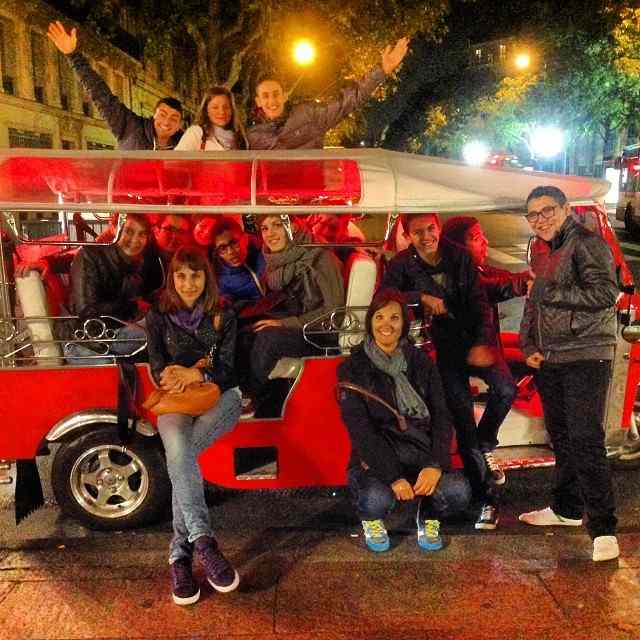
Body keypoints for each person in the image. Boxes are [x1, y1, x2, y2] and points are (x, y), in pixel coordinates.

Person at [380, 213, 502, 530]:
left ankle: (488, 443)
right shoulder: (401, 264)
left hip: (473, 339)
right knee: (462, 418)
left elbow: (479, 304)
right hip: (443, 349)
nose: (427, 236)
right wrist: (419, 297)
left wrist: (482, 342)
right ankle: (484, 497)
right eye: (418, 232)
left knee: (506, 389)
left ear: (438, 228)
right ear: (407, 235)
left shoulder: (458, 257)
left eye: (431, 228)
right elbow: (384, 297)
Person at [518, 186, 620, 562]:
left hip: (586, 353)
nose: (540, 219)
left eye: (547, 211)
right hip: (552, 357)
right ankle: (567, 509)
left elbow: (605, 294)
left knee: (585, 439)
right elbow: (535, 301)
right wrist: (529, 345)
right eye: (533, 214)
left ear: (565, 209)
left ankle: (604, 528)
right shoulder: (543, 248)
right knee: (561, 437)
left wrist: (548, 289)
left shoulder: (586, 243)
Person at [337, 288, 471, 552]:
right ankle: (371, 520)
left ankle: (428, 515)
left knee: (459, 492)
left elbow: (442, 416)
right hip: (378, 456)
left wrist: (435, 465)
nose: (386, 325)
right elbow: (361, 431)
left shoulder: (422, 363)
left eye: (394, 318)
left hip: (420, 450)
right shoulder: (352, 368)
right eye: (379, 317)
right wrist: (394, 476)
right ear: (370, 322)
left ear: (404, 324)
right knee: (375, 499)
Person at [145, 247, 241, 604]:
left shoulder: (224, 313)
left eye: (196, 275)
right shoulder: (157, 314)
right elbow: (155, 364)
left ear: (207, 277)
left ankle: (180, 556)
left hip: (223, 396)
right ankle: (200, 543)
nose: (188, 283)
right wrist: (170, 375)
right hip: (175, 399)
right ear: (172, 278)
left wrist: (196, 372)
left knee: (178, 458)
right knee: (181, 454)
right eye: (181, 276)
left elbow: (230, 368)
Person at [247, 215, 344, 415]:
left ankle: (250, 397)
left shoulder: (319, 257)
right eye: (265, 228)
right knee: (248, 332)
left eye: (278, 225)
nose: (270, 234)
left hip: (321, 334)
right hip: (300, 324)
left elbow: (335, 313)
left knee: (268, 338)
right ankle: (261, 398)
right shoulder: (280, 260)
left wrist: (285, 324)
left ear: (295, 226)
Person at [247, 37, 409, 150]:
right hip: (272, 196)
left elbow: (350, 101)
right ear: (258, 101)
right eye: (265, 96)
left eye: (276, 94)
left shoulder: (310, 114)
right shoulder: (252, 136)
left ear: (284, 95)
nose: (272, 100)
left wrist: (382, 70)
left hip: (311, 193)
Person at [47, 21, 183, 150]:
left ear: (179, 125)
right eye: (162, 114)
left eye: (173, 118)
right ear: (154, 115)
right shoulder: (130, 126)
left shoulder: (186, 145)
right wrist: (73, 56)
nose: (166, 122)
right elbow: (101, 95)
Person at [67, 214, 163, 363]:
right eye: (129, 231)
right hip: (91, 340)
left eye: (142, 234)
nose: (135, 240)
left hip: (116, 330)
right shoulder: (89, 255)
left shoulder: (135, 263)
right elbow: (86, 311)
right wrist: (133, 306)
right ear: (114, 229)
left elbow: (135, 298)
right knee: (161, 330)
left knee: (165, 321)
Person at [210, 217, 265, 307]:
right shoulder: (221, 282)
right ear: (218, 253)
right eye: (223, 248)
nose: (230, 251)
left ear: (245, 238)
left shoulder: (262, 252)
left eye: (234, 242)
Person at [175, 86, 246, 151]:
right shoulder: (196, 133)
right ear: (206, 111)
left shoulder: (240, 138)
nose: (222, 112)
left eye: (226, 107)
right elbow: (176, 160)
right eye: (215, 107)